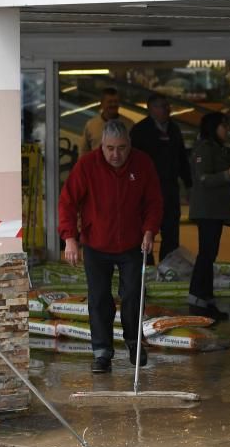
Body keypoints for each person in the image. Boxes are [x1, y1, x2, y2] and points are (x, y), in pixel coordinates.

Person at [59, 119, 163, 373]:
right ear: (101, 146)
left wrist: (150, 231)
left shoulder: (143, 163)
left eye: (122, 148)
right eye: (110, 148)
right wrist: (69, 238)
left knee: (133, 295)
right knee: (99, 299)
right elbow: (67, 202)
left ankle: (134, 343)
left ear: (130, 145)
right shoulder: (87, 165)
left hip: (133, 245)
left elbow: (154, 202)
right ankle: (102, 351)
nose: (116, 154)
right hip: (96, 243)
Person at [187, 112, 230, 321]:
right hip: (207, 211)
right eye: (224, 126)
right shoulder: (204, 148)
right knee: (206, 253)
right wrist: (226, 174)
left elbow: (228, 177)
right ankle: (198, 296)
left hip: (216, 210)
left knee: (210, 253)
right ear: (214, 127)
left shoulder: (219, 149)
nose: (227, 130)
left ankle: (206, 297)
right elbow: (203, 178)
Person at [130, 93, 193, 264]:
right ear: (151, 109)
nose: (167, 109)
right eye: (162, 106)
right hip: (146, 192)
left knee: (171, 231)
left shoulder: (174, 129)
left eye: (167, 105)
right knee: (146, 232)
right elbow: (132, 162)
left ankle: (168, 267)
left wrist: (189, 184)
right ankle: (147, 268)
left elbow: (182, 159)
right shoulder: (140, 131)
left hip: (170, 189)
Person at [80, 87, 134, 156]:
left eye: (116, 101)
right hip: (96, 166)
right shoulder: (91, 125)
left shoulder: (129, 125)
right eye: (110, 102)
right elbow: (84, 152)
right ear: (102, 103)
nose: (113, 104)